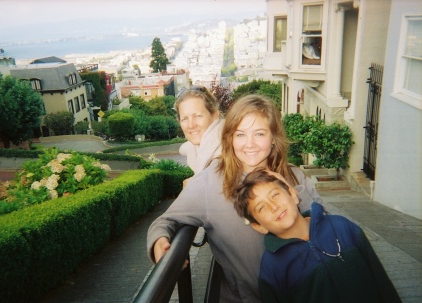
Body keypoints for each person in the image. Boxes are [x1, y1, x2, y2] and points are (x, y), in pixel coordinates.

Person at [147, 94, 323, 302]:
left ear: (273, 137)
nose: (250, 144)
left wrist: (294, 190)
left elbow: (327, 228)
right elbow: (167, 220)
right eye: (240, 135)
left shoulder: (294, 175)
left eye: (259, 134)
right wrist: (160, 241)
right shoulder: (210, 181)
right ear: (229, 138)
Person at [234, 168, 402, 303]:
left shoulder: (342, 227)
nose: (274, 206)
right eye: (261, 208)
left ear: (293, 195)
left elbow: (381, 282)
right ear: (258, 226)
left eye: (275, 195)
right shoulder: (272, 269)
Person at [175, 85, 224, 175]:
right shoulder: (196, 151)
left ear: (214, 116)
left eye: (197, 116)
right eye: (184, 119)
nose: (191, 125)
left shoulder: (228, 152)